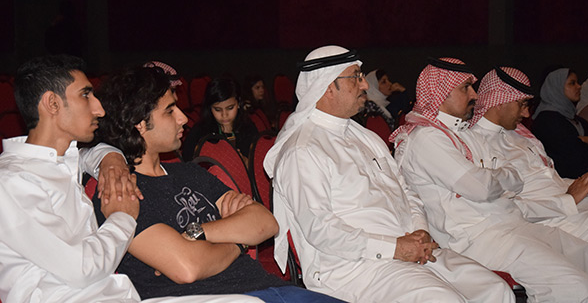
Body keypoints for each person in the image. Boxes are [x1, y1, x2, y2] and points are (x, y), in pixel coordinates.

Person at [264, 46, 515, 303]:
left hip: (408, 251)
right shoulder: (303, 150)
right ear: (328, 87)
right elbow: (321, 230)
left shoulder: (367, 138)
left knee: (495, 290)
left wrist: (420, 230)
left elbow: (406, 191)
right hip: (353, 269)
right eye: (356, 77)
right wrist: (395, 248)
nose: (364, 85)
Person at [0, 55, 255, 303]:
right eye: (85, 95)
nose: (99, 109)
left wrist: (111, 156)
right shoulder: (13, 182)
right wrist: (122, 217)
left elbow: (85, 155)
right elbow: (82, 268)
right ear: (52, 104)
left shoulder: (62, 161)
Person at [89, 65, 345, 303]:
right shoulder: (120, 191)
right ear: (139, 123)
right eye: (170, 110)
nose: (183, 118)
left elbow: (266, 223)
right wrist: (239, 242)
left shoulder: (190, 173)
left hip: (269, 287)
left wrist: (197, 233)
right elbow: (188, 267)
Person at [392, 57, 588, 302]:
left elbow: (503, 184)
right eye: (466, 88)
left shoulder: (462, 134)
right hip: (480, 238)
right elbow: (482, 187)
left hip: (513, 222)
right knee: (575, 288)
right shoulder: (426, 138)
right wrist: (503, 177)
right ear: (442, 92)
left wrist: (496, 180)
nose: (475, 95)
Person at [467, 66, 588, 247]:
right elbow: (506, 208)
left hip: (575, 205)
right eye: (522, 104)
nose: (527, 114)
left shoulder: (519, 134)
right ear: (500, 102)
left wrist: (583, 183)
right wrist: (568, 199)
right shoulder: (476, 146)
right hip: (551, 222)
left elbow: (547, 179)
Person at [532, 68, 588, 178]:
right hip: (567, 180)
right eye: (572, 83)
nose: (579, 86)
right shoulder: (547, 120)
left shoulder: (575, 118)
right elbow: (574, 156)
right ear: (557, 88)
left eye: (577, 82)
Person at [181, 77, 258, 162]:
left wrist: (244, 161)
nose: (224, 115)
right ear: (210, 108)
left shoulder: (248, 128)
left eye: (230, 108)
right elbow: (188, 160)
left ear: (239, 104)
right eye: (217, 109)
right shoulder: (199, 132)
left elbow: (258, 162)